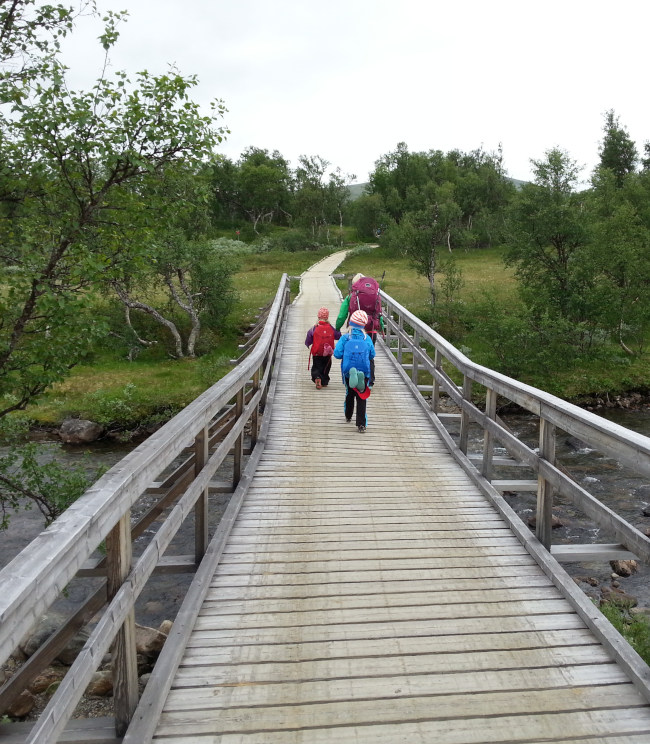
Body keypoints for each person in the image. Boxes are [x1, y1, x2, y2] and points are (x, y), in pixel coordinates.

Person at [335, 272, 385, 386]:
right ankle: (369, 381)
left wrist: (337, 328)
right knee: (368, 355)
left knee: (352, 352)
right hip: (371, 330)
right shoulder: (376, 296)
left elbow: (342, 315)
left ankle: (352, 375)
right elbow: (379, 313)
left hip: (354, 331)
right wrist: (381, 328)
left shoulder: (351, 297)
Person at [333, 309, 375, 433]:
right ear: (364, 325)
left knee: (349, 393)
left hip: (348, 371)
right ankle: (361, 424)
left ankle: (348, 415)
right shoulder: (366, 339)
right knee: (362, 396)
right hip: (364, 370)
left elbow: (337, 354)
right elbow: (372, 354)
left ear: (351, 322)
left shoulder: (346, 338)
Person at [304, 307, 340, 389]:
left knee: (316, 366)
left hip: (317, 352)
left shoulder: (314, 328)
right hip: (328, 352)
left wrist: (308, 344)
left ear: (318, 317)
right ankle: (324, 381)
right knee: (326, 367)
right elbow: (338, 336)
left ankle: (317, 377)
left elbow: (309, 337)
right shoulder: (331, 328)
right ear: (327, 317)